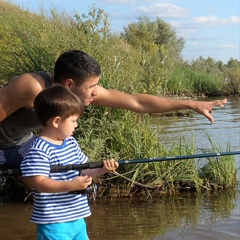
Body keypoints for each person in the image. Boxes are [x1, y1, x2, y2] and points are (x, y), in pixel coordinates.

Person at [0, 49, 227, 167]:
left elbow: (137, 103)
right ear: (70, 84)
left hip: (22, 144)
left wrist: (191, 103)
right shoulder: (31, 87)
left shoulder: (78, 93)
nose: (96, 91)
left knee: (73, 163)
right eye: (92, 86)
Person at [20, 84, 119, 240]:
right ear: (57, 121)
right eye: (73, 121)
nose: (76, 125)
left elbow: (83, 170)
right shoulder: (39, 150)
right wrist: (70, 185)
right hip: (53, 223)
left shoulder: (71, 143)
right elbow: (38, 182)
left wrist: (103, 169)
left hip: (77, 218)